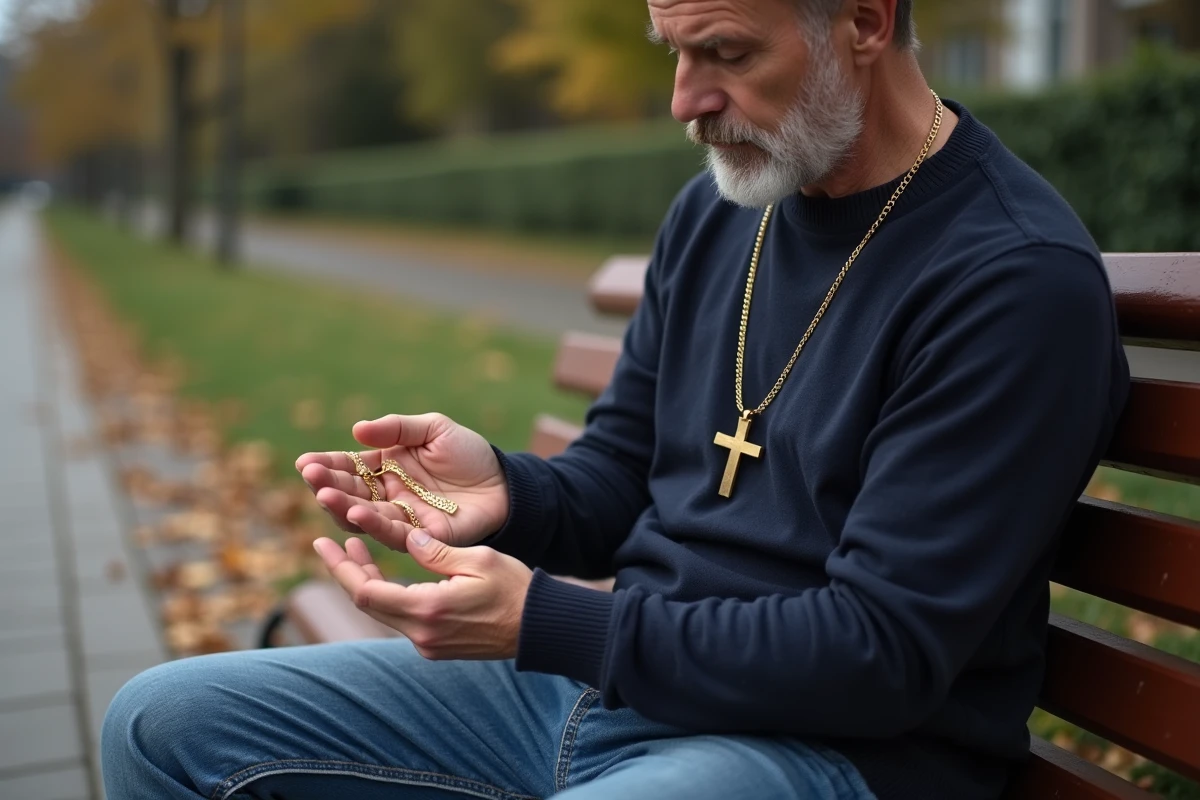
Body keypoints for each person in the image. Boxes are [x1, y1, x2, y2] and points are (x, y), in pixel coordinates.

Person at [101, 0, 1131, 798]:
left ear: (865, 20)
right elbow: (621, 475)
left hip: (828, 752)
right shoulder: (722, 211)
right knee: (156, 721)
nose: (685, 100)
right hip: (613, 685)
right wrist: (504, 488)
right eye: (672, 52)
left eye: (726, 52)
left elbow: (879, 654)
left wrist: (544, 621)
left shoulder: (1011, 280)